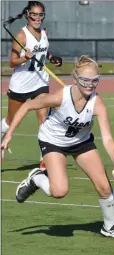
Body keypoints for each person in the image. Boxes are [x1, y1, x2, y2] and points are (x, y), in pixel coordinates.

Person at [1, 55, 114, 239]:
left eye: (95, 80)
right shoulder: (60, 97)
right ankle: (37, 178)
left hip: (82, 142)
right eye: (85, 80)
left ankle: (110, 227)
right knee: (59, 191)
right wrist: (8, 135)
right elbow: (28, 106)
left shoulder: (97, 103)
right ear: (76, 79)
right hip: (52, 141)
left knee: (105, 187)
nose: (90, 84)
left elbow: (107, 138)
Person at [1, 1, 62, 169]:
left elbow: (43, 50)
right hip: (21, 85)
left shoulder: (44, 32)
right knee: (10, 121)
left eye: (40, 15)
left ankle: (45, 160)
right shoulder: (21, 36)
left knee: (44, 121)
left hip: (40, 82)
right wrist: (25, 58)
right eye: (34, 14)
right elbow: (12, 62)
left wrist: (51, 58)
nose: (37, 18)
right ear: (28, 14)